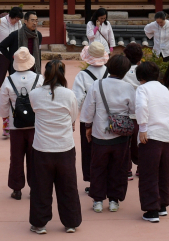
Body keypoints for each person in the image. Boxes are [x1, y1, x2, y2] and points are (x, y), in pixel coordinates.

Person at [28, 60, 81, 234]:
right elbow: (73, 115)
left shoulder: (34, 93)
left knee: (40, 187)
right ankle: (71, 222)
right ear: (62, 75)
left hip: (42, 147)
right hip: (64, 146)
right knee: (68, 185)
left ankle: (39, 223)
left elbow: (35, 110)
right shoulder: (69, 94)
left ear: (45, 74)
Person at [80, 55, 134, 214]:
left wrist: (88, 127)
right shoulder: (128, 87)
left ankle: (97, 200)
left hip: (100, 133)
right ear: (125, 71)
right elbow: (134, 110)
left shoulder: (97, 84)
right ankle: (114, 200)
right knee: (119, 167)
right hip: (121, 135)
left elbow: (89, 109)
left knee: (97, 167)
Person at [0, 47, 42, 200]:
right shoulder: (39, 79)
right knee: (34, 157)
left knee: (16, 157)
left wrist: (5, 118)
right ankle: (35, 186)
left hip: (16, 124)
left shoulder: (9, 80)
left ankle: (17, 188)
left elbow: (3, 104)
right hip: (35, 124)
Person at [135, 61, 169, 223]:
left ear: (141, 77)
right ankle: (162, 205)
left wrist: (143, 128)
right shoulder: (164, 89)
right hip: (168, 134)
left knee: (148, 173)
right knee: (164, 172)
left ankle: (151, 210)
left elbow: (141, 107)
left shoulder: (142, 89)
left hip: (151, 135)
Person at [71, 42, 109, 190]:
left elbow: (77, 99)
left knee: (89, 151)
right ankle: (106, 180)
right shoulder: (110, 73)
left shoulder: (83, 75)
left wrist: (73, 119)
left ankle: (94, 182)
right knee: (107, 149)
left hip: (89, 118)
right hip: (108, 117)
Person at [122, 42, 143, 178]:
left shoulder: (122, 71)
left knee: (126, 143)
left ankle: (127, 169)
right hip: (141, 112)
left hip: (126, 112)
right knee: (141, 142)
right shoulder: (143, 70)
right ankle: (141, 167)